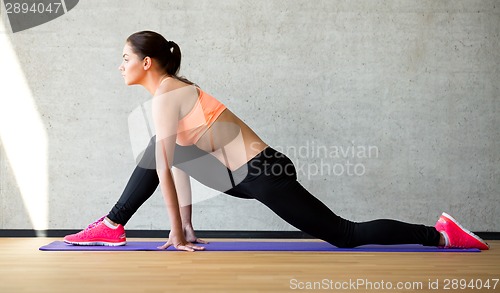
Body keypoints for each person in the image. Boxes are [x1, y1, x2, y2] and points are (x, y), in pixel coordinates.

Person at [64, 31, 489, 251]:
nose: (120, 66)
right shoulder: (170, 94)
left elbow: (163, 168)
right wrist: (189, 227)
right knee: (160, 146)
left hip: (265, 173)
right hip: (244, 174)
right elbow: (172, 161)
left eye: (124, 58)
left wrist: (175, 233)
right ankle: (114, 224)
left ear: (147, 62)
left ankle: (439, 234)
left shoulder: (167, 95)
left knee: (343, 233)